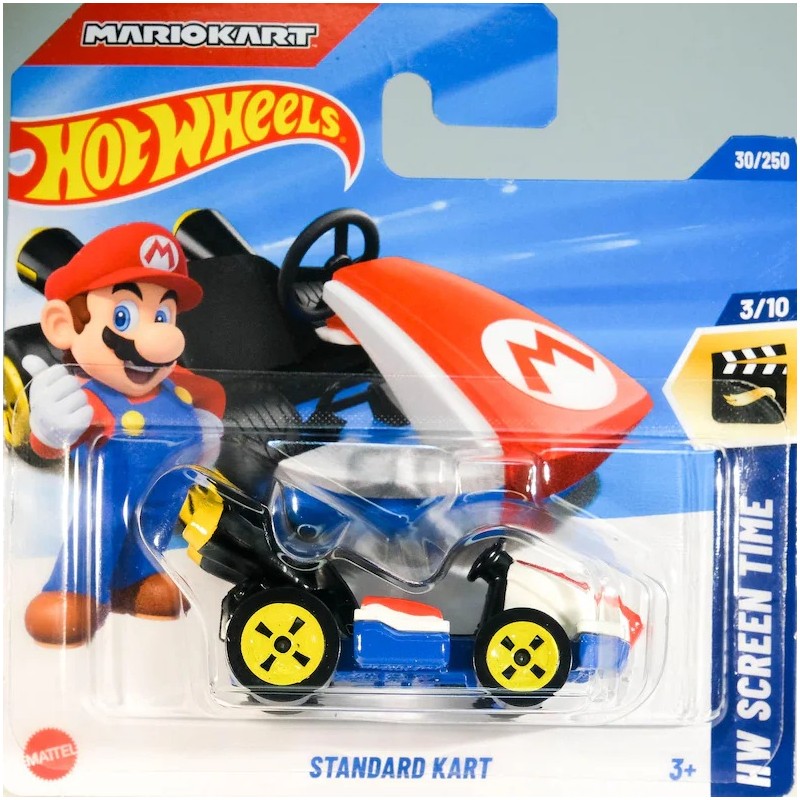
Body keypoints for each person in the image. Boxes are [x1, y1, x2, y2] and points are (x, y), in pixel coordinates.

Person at [23, 222, 225, 647]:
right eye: (123, 316)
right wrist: (49, 423)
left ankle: (137, 580)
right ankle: (74, 590)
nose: (161, 339)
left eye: (163, 316)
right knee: (98, 529)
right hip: (105, 492)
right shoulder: (87, 395)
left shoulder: (178, 390)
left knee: (152, 526)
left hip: (162, 496)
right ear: (63, 325)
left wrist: (204, 435)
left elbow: (203, 413)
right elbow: (46, 445)